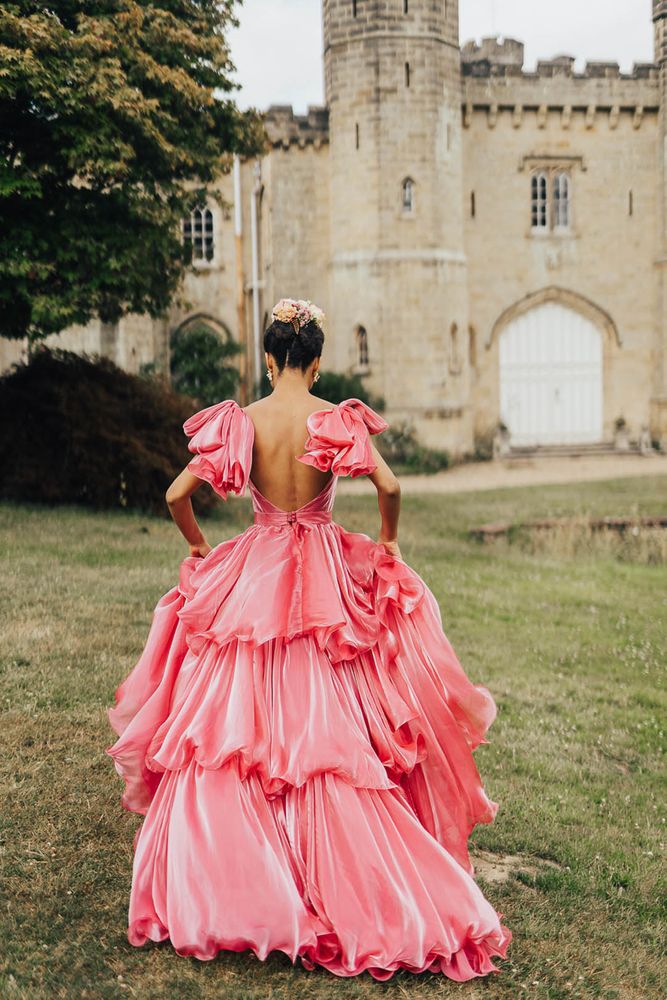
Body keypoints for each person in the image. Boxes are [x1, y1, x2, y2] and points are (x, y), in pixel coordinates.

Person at [106, 297, 512, 982]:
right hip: (322, 569)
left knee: (236, 726)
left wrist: (203, 548)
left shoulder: (245, 420)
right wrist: (386, 538)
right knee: (328, 727)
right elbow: (388, 483)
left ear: (268, 361)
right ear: (316, 361)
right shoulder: (332, 418)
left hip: (258, 565)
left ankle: (242, 880)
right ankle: (342, 870)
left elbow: (178, 494)